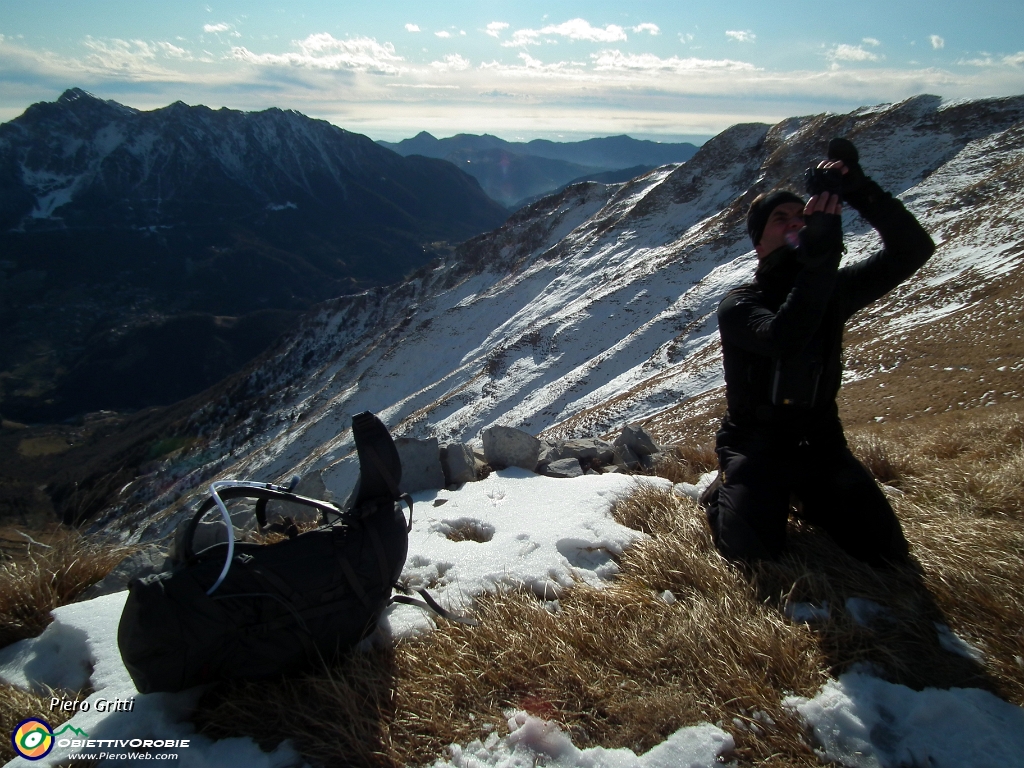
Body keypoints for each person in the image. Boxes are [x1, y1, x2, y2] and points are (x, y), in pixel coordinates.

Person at [702, 138, 935, 565]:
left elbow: (914, 250)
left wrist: (860, 190)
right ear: (759, 243)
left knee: (885, 551)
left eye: (801, 216)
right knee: (752, 554)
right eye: (780, 218)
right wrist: (820, 261)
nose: (795, 223)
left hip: (820, 442)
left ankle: (806, 497)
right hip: (756, 444)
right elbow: (783, 338)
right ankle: (725, 492)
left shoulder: (832, 288)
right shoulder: (740, 303)